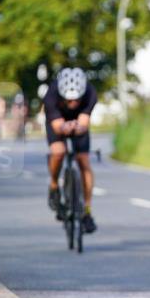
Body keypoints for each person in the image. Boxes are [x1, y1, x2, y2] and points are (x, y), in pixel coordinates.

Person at [44, 67, 98, 233]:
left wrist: (77, 127)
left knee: (84, 161)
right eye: (68, 100)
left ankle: (87, 211)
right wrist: (64, 127)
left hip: (78, 122)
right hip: (58, 120)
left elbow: (84, 122)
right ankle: (54, 185)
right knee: (58, 152)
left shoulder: (90, 93)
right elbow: (57, 126)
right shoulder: (51, 96)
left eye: (76, 100)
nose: (72, 103)